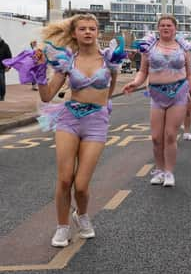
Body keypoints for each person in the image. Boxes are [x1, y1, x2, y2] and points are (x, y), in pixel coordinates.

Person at [4, 14, 125, 247]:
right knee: (64, 179)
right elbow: (47, 96)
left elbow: (110, 89)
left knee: (81, 185)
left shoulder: (110, 59)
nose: (88, 32)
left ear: (98, 32)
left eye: (92, 28)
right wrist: (39, 73)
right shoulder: (67, 61)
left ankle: (81, 215)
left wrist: (103, 105)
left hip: (96, 123)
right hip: (69, 119)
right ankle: (62, 227)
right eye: (83, 29)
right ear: (74, 34)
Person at [123, 15, 191, 187]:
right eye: (163, 25)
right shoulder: (149, 48)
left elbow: (189, 74)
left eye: (169, 25)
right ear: (158, 28)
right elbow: (143, 71)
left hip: (178, 93)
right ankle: (159, 170)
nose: (166, 28)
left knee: (170, 135)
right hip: (156, 95)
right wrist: (135, 83)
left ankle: (169, 172)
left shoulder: (184, 48)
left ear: (175, 28)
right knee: (157, 137)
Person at [0, 34, 12, 101]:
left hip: (1, 67)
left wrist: (9, 66)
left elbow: (9, 57)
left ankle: (2, 95)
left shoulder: (5, 46)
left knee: (1, 82)